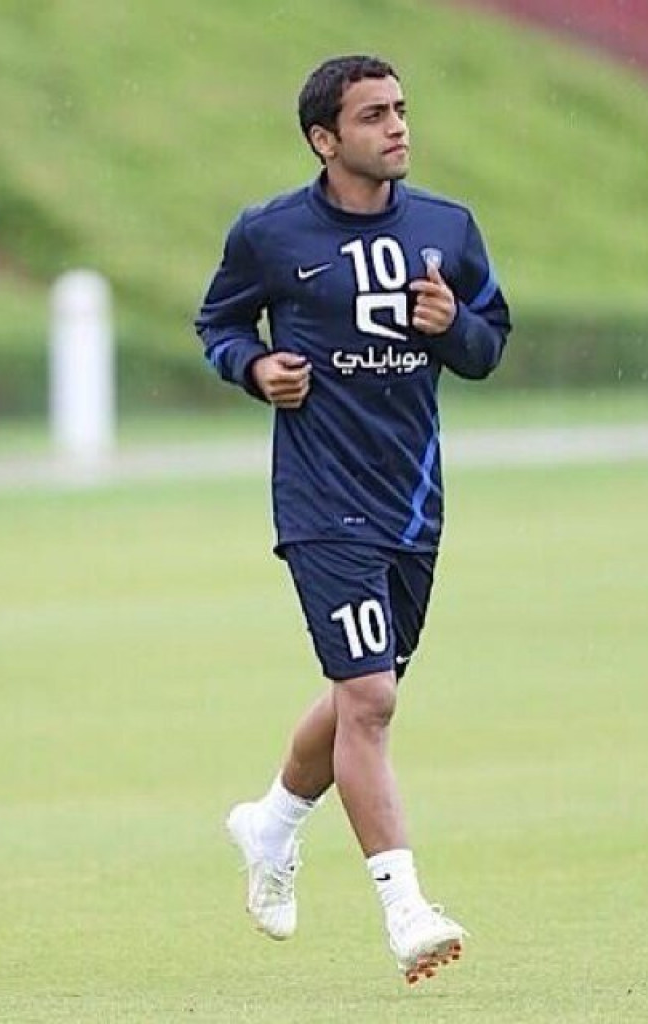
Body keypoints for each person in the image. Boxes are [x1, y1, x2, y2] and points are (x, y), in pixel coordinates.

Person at [195, 54, 511, 984]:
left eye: (401, 109)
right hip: (320, 499)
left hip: (412, 503)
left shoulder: (448, 227)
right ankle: (406, 909)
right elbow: (218, 326)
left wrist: (452, 325)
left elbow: (488, 345)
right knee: (371, 699)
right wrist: (255, 369)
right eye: (374, 115)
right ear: (324, 140)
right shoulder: (270, 233)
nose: (398, 126)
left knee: (355, 694)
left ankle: (271, 823)